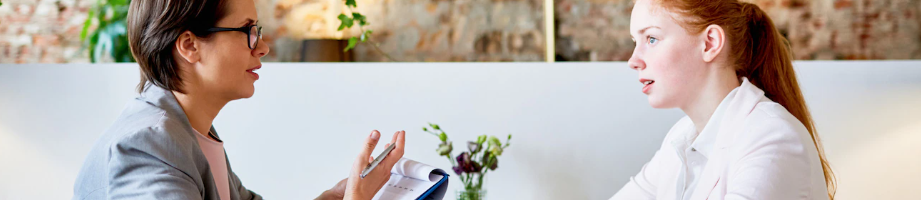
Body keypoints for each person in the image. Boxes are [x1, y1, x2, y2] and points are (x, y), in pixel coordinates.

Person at [72, 0, 405, 199]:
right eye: (247, 30)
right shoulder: (148, 146)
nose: (262, 47)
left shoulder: (192, 134)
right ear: (189, 45)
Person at [611, 0, 836, 199]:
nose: (633, 60)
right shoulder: (680, 140)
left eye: (651, 39)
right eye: (635, 41)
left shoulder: (773, 139)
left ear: (710, 43)